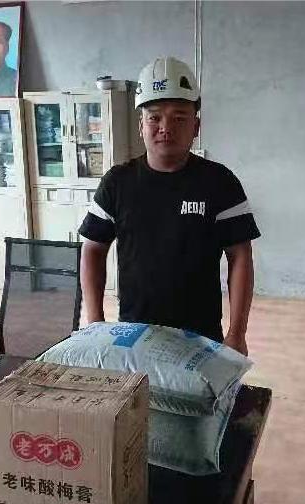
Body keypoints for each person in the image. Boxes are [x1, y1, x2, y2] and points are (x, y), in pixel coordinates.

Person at [78, 57, 260, 355]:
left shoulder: (220, 183)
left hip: (202, 337)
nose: (166, 128)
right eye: (154, 118)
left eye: (179, 118)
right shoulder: (117, 182)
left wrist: (237, 334)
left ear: (196, 126)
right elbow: (93, 249)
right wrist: (95, 322)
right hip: (134, 334)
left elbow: (240, 256)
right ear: (141, 126)